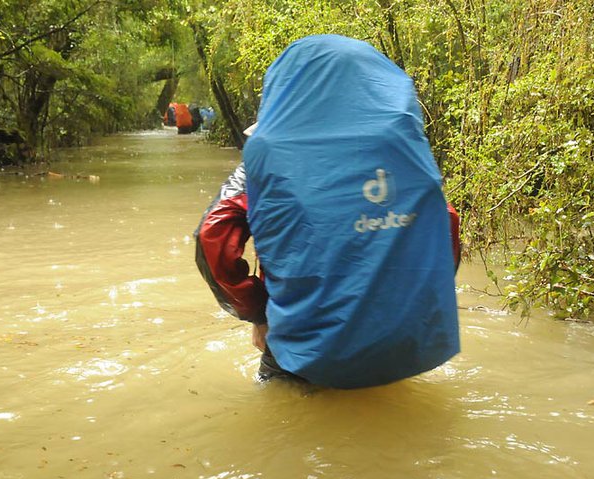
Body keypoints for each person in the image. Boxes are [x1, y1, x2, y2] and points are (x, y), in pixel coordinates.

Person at [195, 35, 460, 389]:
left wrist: (258, 314)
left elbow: (212, 237)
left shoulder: (267, 159)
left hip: (302, 346)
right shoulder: (402, 153)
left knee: (289, 429)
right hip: (399, 342)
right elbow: (445, 226)